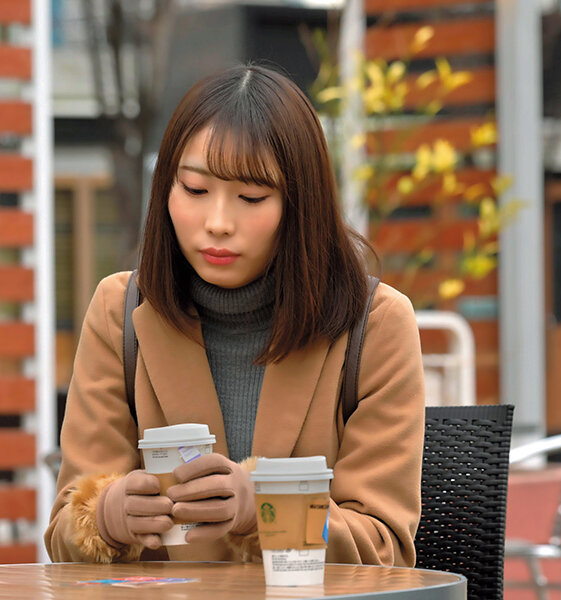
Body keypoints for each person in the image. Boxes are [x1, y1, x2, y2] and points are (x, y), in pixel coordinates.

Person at [45, 65, 425, 566]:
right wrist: (108, 517)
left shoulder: (374, 323)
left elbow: (385, 547)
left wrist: (265, 510)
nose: (218, 223)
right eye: (194, 190)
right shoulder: (120, 311)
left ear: (301, 204)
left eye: (251, 197)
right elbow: (64, 534)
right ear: (165, 191)